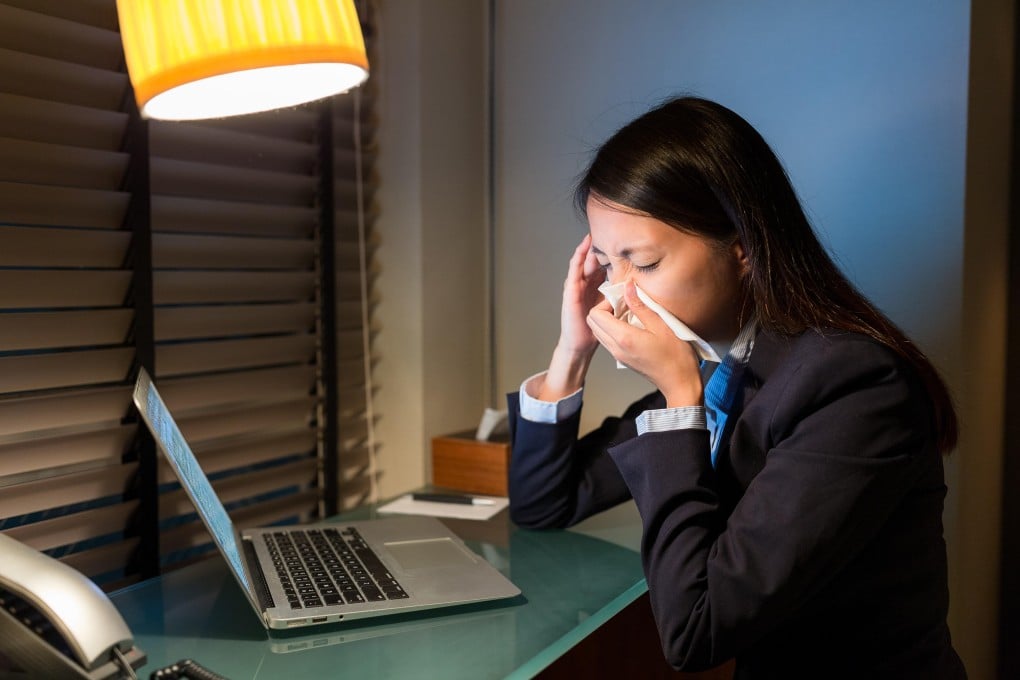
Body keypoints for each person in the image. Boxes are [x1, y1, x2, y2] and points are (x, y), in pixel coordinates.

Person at [507, 96, 966, 679]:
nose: (617, 295)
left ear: (742, 247)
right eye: (605, 262)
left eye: (642, 264)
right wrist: (571, 352)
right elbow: (543, 502)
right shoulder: (722, 365)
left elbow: (695, 632)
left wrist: (679, 400)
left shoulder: (853, 385)